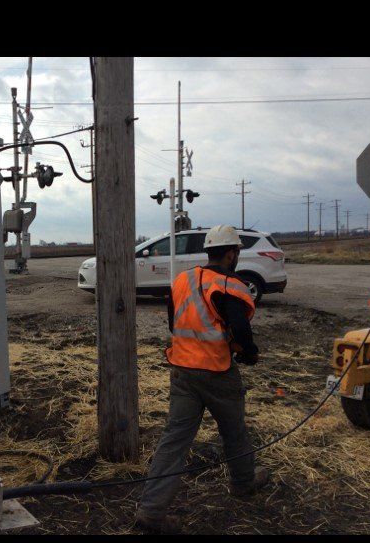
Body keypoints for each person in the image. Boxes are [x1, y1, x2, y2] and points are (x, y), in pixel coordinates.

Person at [135, 225, 269, 534]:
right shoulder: (229, 284)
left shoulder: (182, 280)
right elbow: (241, 328)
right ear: (232, 253)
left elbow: (174, 322)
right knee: (234, 430)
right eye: (236, 252)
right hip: (217, 372)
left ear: (209, 251)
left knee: (174, 440)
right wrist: (249, 353)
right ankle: (243, 482)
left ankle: (151, 510)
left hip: (182, 370)